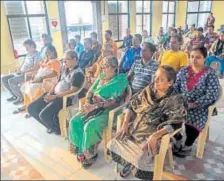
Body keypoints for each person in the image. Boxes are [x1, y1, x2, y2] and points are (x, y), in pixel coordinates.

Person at [107, 66, 187, 180]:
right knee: (113, 143)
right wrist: (125, 123)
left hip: (153, 134)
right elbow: (132, 104)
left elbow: (176, 123)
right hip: (135, 127)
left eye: (161, 79)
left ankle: (134, 165)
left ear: (170, 83)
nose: (156, 80)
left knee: (140, 159)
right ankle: (129, 163)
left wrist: (155, 136)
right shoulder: (149, 90)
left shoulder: (176, 99)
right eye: (155, 77)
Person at [68, 56, 129, 168]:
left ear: (114, 67)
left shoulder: (120, 79)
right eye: (103, 66)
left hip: (108, 111)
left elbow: (114, 101)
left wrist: (95, 106)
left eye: (106, 66)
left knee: (90, 125)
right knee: (74, 120)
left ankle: (90, 154)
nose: (103, 69)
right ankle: (79, 148)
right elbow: (90, 91)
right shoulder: (101, 77)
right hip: (91, 107)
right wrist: (87, 102)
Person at [173, 46, 220, 157]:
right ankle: (177, 138)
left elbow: (212, 94)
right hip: (181, 103)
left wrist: (193, 104)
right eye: (192, 56)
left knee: (193, 121)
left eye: (198, 57)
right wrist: (176, 100)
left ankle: (188, 145)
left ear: (205, 58)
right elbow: (176, 87)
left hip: (199, 106)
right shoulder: (184, 70)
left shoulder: (210, 74)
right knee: (167, 116)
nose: (194, 60)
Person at [27, 51, 85, 135]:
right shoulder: (65, 69)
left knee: (43, 115)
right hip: (55, 95)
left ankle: (58, 130)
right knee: (31, 108)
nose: (64, 62)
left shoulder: (78, 73)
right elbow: (56, 82)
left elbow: (73, 90)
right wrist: (49, 94)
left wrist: (55, 97)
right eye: (64, 60)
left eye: (67, 60)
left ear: (75, 59)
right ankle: (51, 126)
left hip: (66, 98)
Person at [13, 45, 60, 117]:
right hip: (41, 80)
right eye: (46, 53)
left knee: (33, 88)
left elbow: (55, 73)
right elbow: (41, 70)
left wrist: (42, 77)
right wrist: (34, 75)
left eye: (49, 52)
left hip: (49, 82)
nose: (47, 54)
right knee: (26, 86)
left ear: (53, 52)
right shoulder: (46, 61)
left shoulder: (55, 62)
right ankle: (26, 106)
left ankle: (33, 108)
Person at [2, 39, 41, 105]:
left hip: (28, 75)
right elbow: (23, 63)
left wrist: (24, 72)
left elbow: (36, 67)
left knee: (11, 81)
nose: (26, 49)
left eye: (27, 47)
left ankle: (21, 98)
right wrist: (18, 69)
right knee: (4, 78)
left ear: (32, 46)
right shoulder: (28, 54)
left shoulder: (37, 55)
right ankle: (15, 95)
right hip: (21, 73)